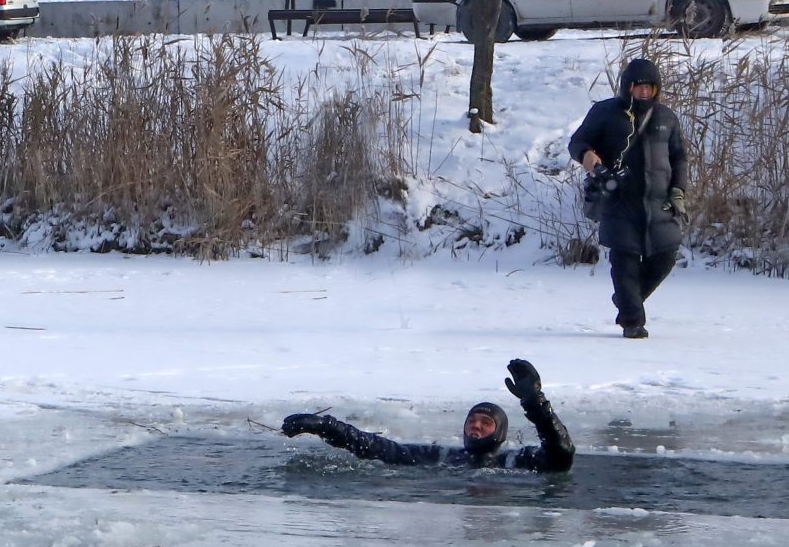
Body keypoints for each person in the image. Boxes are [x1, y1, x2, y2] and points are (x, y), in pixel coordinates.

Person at [568, 54, 688, 338]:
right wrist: (590, 159)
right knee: (625, 261)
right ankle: (632, 321)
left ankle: (626, 300)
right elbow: (577, 143)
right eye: (638, 86)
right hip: (619, 200)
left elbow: (679, 157)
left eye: (649, 87)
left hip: (659, 202)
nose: (644, 92)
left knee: (665, 257)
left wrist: (679, 191)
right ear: (627, 87)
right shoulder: (605, 112)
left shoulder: (667, 117)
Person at [281, 358, 575, 471]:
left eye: (486, 423)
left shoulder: (516, 461)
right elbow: (377, 447)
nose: (476, 426)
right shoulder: (443, 457)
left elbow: (561, 454)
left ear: (499, 433)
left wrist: (535, 402)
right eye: (472, 420)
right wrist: (324, 426)